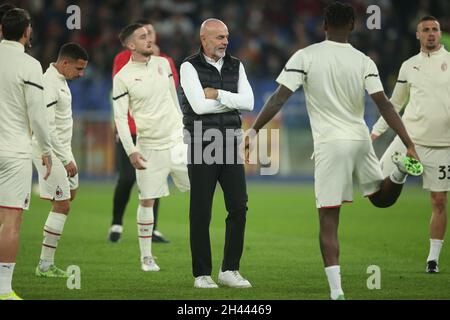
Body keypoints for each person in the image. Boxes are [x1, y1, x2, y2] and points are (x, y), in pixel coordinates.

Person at [245, 2, 422, 300]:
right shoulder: (364, 60)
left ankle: (337, 291)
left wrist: (253, 130)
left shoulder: (306, 56)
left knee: (329, 219)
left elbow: (278, 98)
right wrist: (408, 143)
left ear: (324, 25)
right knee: (380, 199)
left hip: (330, 143)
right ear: (353, 25)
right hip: (360, 138)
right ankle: (400, 170)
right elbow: (385, 104)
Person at [371, 16, 450, 274]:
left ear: (440, 33)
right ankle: (400, 170)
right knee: (377, 192)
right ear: (418, 35)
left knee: (438, 202)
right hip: (409, 139)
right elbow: (394, 105)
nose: (430, 33)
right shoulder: (408, 66)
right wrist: (375, 132)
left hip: (442, 146)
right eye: (425, 30)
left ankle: (432, 259)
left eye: (435, 30)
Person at [180, 18, 254, 288]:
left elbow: (249, 102)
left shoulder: (237, 65)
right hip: (202, 142)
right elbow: (198, 107)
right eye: (219, 37)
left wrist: (218, 94)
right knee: (201, 211)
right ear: (204, 39)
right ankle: (202, 274)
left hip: (231, 142)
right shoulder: (188, 66)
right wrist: (231, 102)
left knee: (239, 207)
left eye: (226, 37)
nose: (225, 42)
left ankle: (229, 270)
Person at [112, 23, 190, 272]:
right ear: (130, 45)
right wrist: (131, 150)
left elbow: (173, 99)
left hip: (177, 141)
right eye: (142, 37)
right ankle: (146, 258)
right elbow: (121, 118)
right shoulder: (122, 77)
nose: (150, 40)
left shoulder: (163, 64)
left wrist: (184, 129)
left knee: (202, 190)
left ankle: (204, 256)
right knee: (147, 200)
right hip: (148, 147)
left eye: (149, 36)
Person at [0, 8, 52, 300]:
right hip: (14, 151)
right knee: (10, 220)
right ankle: (4, 290)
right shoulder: (30, 65)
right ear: (26, 32)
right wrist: (44, 150)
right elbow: (38, 115)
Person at [33, 43, 88, 278]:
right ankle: (45, 265)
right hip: (50, 150)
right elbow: (47, 127)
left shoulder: (62, 81)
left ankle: (46, 190)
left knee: (70, 194)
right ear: (65, 63)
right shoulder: (49, 83)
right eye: (78, 68)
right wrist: (65, 159)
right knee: (62, 204)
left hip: (62, 148)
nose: (81, 74)